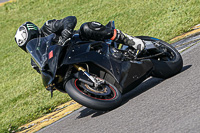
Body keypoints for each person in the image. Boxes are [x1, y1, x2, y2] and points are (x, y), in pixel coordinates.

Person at [15, 16, 145, 72]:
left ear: (35, 33)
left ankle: (130, 40)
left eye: (32, 40)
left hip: (81, 43)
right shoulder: (35, 62)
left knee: (86, 28)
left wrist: (66, 32)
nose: (33, 45)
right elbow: (47, 73)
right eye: (27, 45)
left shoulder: (48, 27)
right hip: (70, 63)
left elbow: (69, 19)